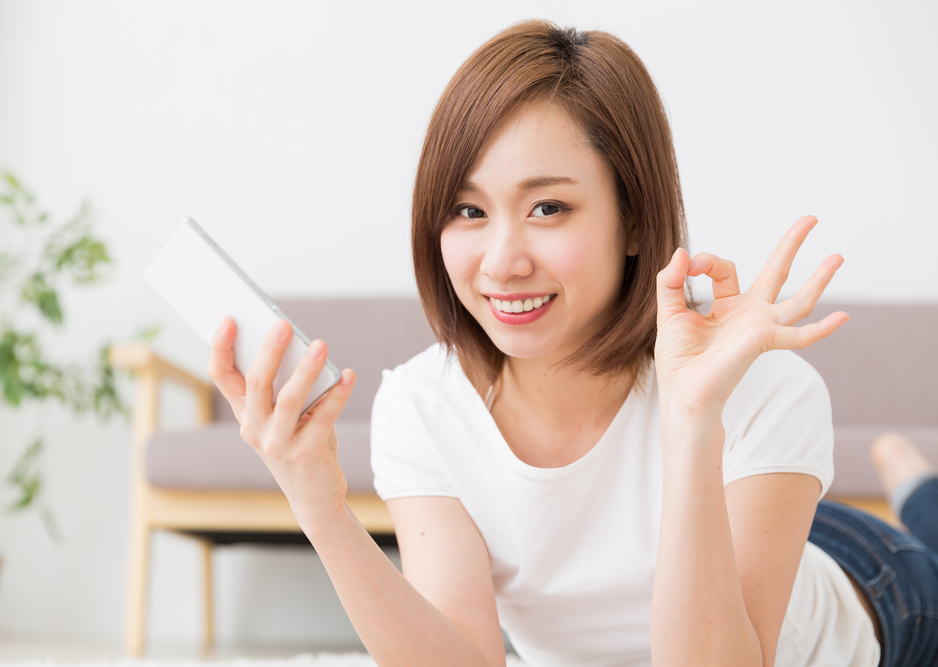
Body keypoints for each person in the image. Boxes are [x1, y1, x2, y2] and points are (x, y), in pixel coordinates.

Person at [206, 20, 938, 667]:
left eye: (548, 207)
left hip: (870, 583)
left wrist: (692, 418)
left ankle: (914, 485)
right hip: (765, 512)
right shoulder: (423, 406)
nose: (502, 262)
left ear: (635, 220)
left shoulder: (757, 386)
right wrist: (321, 508)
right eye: (468, 210)